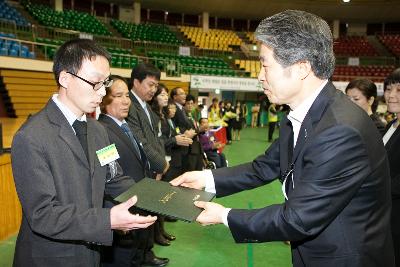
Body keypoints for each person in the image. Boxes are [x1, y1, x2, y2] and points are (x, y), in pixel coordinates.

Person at [171, 10, 395, 267]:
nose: (259, 76)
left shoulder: (340, 130)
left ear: (301, 68)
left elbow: (298, 219)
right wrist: (205, 178)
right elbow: (265, 166)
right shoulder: (303, 114)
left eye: (265, 64)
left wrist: (225, 216)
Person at [11, 39, 157, 267]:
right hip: (50, 258)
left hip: (90, 253)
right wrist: (107, 220)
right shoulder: (31, 137)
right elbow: (43, 214)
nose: (103, 92)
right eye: (95, 83)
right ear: (65, 78)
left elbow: (114, 177)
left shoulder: (98, 130)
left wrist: (164, 196)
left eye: (105, 83)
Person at [98, 75, 169, 267]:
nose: (126, 101)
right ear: (105, 100)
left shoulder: (124, 125)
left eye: (127, 95)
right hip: (122, 206)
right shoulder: (102, 130)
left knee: (135, 257)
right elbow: (109, 175)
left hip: (137, 202)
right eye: (118, 95)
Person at [126, 62, 169, 180]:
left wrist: (161, 161)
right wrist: (161, 164)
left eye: (156, 86)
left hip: (153, 169)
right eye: (151, 85)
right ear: (136, 82)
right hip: (140, 171)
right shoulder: (128, 105)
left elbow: (157, 138)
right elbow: (139, 140)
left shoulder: (147, 106)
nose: (154, 90)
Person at [382, 68, 400, 266]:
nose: (391, 95)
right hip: (384, 217)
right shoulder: (391, 126)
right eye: (388, 89)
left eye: (399, 90)